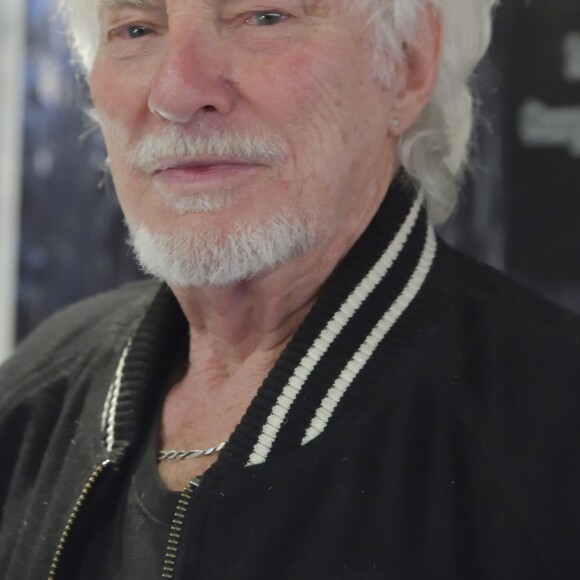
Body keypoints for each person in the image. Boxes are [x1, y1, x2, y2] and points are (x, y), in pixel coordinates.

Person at [2, 0, 580, 578]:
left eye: (263, 16)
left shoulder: (550, 437)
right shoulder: (35, 391)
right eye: (136, 29)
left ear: (406, 64)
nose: (177, 92)